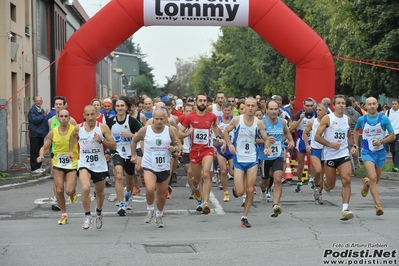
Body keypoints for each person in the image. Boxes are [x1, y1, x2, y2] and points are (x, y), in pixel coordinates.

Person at [222, 97, 270, 228]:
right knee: (239, 191)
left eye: (253, 106)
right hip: (239, 159)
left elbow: (266, 138)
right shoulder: (237, 120)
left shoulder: (259, 123)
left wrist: (266, 148)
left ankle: (244, 217)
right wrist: (230, 144)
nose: (250, 108)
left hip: (252, 159)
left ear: (256, 107)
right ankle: (236, 190)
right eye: (248, 105)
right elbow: (225, 132)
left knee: (250, 189)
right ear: (244, 107)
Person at [130, 108, 182, 228]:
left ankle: (159, 215)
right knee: (150, 188)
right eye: (156, 119)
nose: (159, 121)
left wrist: (174, 149)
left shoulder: (170, 131)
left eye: (161, 119)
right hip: (149, 165)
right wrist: (133, 155)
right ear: (152, 118)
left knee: (162, 194)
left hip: (164, 165)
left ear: (166, 119)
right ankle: (150, 210)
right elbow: (134, 140)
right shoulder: (145, 130)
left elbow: (177, 145)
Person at [68, 105, 116, 230]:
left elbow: (114, 145)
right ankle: (87, 215)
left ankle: (99, 212)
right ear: (84, 115)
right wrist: (71, 151)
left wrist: (101, 141)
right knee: (86, 188)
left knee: (99, 192)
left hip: (99, 165)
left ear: (96, 114)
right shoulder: (79, 128)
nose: (90, 117)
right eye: (87, 115)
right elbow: (72, 137)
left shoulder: (102, 127)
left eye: (92, 114)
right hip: (84, 164)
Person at [179, 93, 223, 214]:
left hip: (207, 150)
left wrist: (218, 137)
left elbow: (215, 127)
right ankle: (197, 189)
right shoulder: (190, 118)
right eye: (200, 101)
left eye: (204, 100)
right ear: (196, 103)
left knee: (206, 174)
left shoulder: (212, 117)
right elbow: (179, 134)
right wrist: (188, 133)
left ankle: (205, 202)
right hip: (194, 151)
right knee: (196, 178)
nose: (203, 103)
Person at [314, 95, 356, 220]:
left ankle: (345, 208)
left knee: (346, 180)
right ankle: (326, 180)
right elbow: (317, 137)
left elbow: (349, 135)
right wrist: (330, 144)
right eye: (339, 103)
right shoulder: (328, 118)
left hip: (343, 154)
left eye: (343, 103)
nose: (341, 105)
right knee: (330, 186)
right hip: (330, 155)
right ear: (334, 105)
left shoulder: (347, 120)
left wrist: (353, 145)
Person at [353, 97, 395, 216]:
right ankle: (378, 205)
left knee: (375, 180)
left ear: (377, 105)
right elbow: (355, 131)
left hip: (381, 153)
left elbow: (392, 136)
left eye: (374, 104)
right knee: (373, 177)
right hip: (367, 152)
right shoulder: (362, 119)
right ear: (365, 107)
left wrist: (382, 141)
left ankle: (366, 183)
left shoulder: (384, 119)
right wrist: (355, 145)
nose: (371, 106)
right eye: (369, 104)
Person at [37, 110, 78, 225]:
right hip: (58, 164)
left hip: (71, 163)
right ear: (58, 118)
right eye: (62, 116)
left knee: (69, 190)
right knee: (59, 190)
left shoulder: (74, 130)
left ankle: (73, 193)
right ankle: (64, 214)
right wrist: (41, 155)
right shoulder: (53, 132)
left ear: (69, 118)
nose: (64, 118)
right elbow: (44, 147)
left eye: (66, 116)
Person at [106, 96, 143, 216]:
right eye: (117, 106)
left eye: (122, 106)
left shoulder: (131, 120)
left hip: (130, 153)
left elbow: (144, 133)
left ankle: (129, 195)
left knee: (130, 178)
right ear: (115, 108)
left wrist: (131, 135)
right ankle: (121, 203)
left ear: (126, 107)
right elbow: (105, 135)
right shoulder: (111, 121)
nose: (120, 108)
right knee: (118, 174)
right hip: (117, 152)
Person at [257, 100, 294, 216]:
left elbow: (287, 133)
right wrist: (265, 140)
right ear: (266, 110)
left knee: (278, 179)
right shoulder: (261, 123)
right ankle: (263, 191)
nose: (273, 112)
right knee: (265, 181)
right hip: (265, 156)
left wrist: (291, 140)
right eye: (271, 109)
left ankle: (275, 205)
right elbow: (254, 140)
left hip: (278, 155)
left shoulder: (282, 122)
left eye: (275, 109)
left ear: (278, 110)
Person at [303, 103, 328, 204]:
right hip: (315, 149)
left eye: (320, 110)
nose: (317, 112)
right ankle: (316, 185)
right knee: (317, 171)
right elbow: (305, 133)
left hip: (326, 150)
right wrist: (307, 145)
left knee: (322, 174)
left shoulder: (329, 122)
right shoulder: (313, 122)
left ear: (325, 112)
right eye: (317, 110)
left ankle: (319, 192)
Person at [290, 97, 316, 192]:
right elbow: (292, 127)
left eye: (311, 106)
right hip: (301, 141)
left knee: (314, 161)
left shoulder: (315, 114)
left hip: (312, 141)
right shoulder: (299, 114)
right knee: (300, 162)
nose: (309, 108)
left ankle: (312, 179)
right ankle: (299, 181)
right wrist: (300, 119)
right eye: (307, 106)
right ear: (304, 105)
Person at [215, 102, 235, 202]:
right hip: (221, 149)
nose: (227, 112)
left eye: (229, 110)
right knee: (223, 171)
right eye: (225, 110)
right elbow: (217, 134)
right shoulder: (218, 120)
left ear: (231, 111)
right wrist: (219, 141)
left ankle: (238, 187)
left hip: (231, 148)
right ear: (222, 110)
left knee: (232, 172)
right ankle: (226, 192)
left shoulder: (234, 120)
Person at [28, 96, 48, 174]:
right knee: (34, 151)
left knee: (40, 151)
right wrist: (44, 115)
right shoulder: (32, 111)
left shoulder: (41, 110)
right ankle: (34, 167)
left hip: (40, 134)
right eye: (37, 101)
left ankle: (39, 166)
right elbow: (35, 120)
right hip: (34, 134)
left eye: (40, 101)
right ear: (34, 102)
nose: (39, 102)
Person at [385, 98, 399, 172]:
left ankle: (397, 166)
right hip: (391, 134)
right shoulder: (388, 112)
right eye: (393, 104)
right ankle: (395, 165)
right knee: (393, 151)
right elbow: (386, 123)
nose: (394, 105)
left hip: (398, 133)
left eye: (395, 104)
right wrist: (386, 134)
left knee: (397, 149)